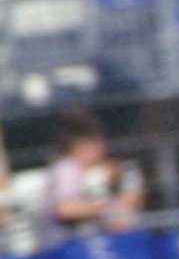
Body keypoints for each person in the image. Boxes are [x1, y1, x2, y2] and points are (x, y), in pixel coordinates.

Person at [38, 106, 143, 248]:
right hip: (67, 252)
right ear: (82, 145)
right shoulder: (67, 169)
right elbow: (64, 208)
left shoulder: (79, 171)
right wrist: (110, 207)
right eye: (97, 144)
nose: (103, 150)